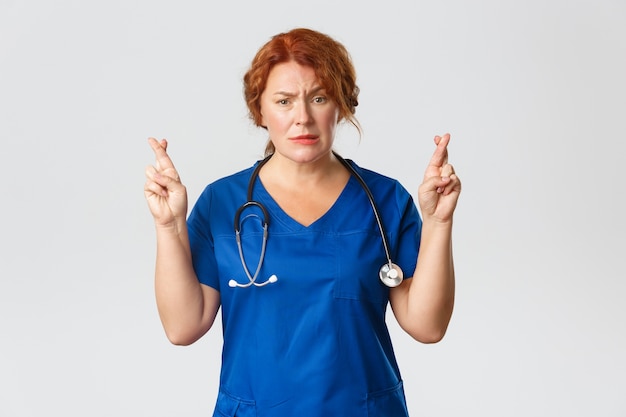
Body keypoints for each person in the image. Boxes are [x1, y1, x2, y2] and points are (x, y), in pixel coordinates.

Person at [144, 27, 461, 417]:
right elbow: (183, 327)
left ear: (341, 106)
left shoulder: (385, 201)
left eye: (319, 98)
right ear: (259, 110)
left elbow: (427, 327)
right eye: (284, 101)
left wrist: (438, 222)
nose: (303, 118)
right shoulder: (222, 203)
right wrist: (169, 227)